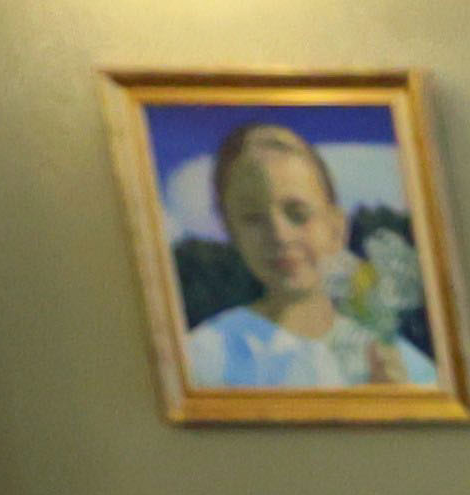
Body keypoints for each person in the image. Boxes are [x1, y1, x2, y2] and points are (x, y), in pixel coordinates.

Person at [177, 118, 442, 393]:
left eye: (298, 213)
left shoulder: (398, 362)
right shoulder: (204, 357)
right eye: (253, 219)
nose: (279, 235)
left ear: (337, 229)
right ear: (233, 234)